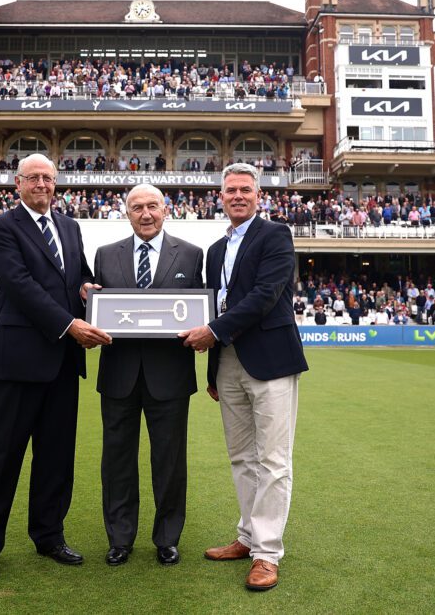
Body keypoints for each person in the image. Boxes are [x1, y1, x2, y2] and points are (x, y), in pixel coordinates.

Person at [0, 154, 112, 581]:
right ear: (18, 183)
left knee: (56, 459)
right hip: (18, 361)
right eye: (34, 178)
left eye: (49, 178)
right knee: (1, 457)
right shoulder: (2, 226)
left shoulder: (69, 226)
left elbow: (76, 276)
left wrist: (87, 288)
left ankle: (49, 536)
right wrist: (69, 324)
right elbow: (20, 286)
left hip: (63, 365)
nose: (43, 185)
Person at [180, 162, 308, 592]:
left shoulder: (276, 235)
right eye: (230, 190)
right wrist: (213, 364)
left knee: (273, 459)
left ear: (259, 195)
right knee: (242, 457)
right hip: (229, 361)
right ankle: (248, 535)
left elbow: (265, 295)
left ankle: (267, 553)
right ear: (220, 196)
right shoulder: (215, 249)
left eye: (245, 190)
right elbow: (211, 305)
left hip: (270, 359)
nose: (237, 196)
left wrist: (214, 331)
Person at [91, 184, 204, 567]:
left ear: (165, 209)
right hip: (119, 375)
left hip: (170, 376)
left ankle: (167, 538)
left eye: (152, 206)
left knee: (170, 462)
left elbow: (197, 310)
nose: (145, 213)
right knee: (117, 461)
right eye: (137, 207)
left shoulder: (191, 254)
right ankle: (120, 538)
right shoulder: (106, 255)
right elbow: (100, 307)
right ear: (127, 213)